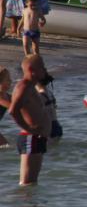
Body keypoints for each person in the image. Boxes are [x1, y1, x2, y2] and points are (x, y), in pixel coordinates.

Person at [10, 54, 51, 185]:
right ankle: (25, 205)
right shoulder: (23, 87)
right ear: (32, 70)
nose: (45, 70)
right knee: (27, 184)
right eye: (42, 67)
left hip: (35, 138)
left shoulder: (30, 87)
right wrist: (29, 128)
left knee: (32, 184)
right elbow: (13, 110)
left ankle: (34, 206)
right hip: (30, 138)